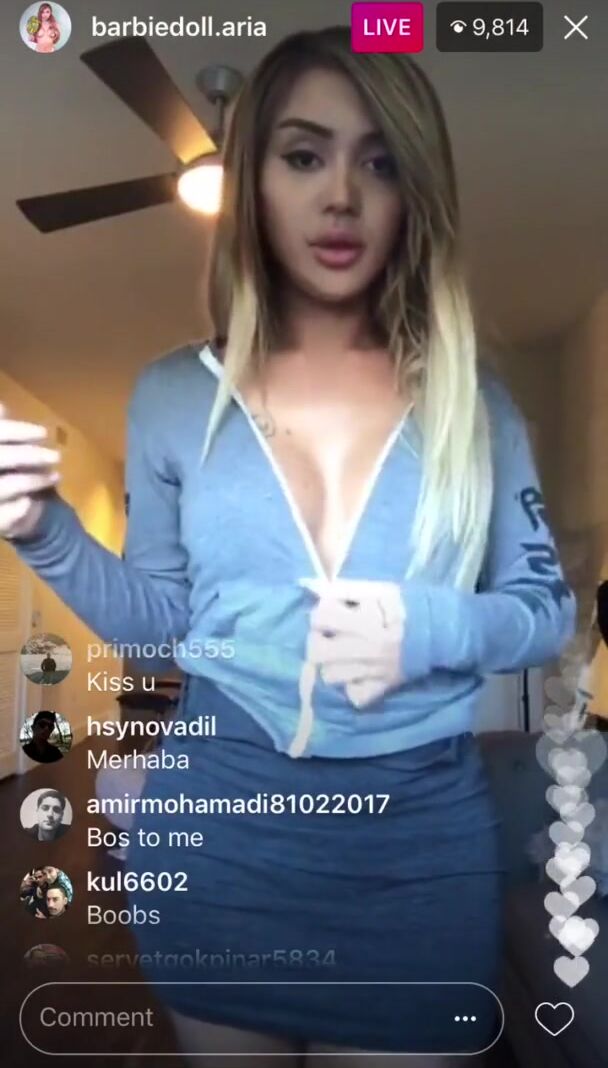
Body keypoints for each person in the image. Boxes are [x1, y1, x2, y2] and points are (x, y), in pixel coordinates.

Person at [0, 24, 576, 1068]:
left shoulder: (479, 407)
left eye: (380, 163)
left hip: (418, 861)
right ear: (254, 184)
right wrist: (46, 532)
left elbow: (545, 611)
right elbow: (165, 634)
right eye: (304, 156)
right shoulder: (170, 397)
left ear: (416, 195)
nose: (341, 195)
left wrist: (425, 627)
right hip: (219, 847)